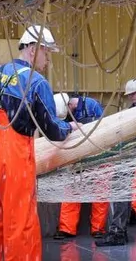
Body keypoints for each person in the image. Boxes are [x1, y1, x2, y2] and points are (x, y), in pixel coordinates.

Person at [0, 25, 73, 261]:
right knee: (19, 222)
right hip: (15, 162)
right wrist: (69, 128)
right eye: (46, 52)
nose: (47, 59)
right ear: (33, 50)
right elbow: (51, 129)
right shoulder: (36, 83)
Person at [96, 79, 136, 247]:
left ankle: (118, 232)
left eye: (133, 93)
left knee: (120, 189)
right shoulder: (131, 111)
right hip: (129, 154)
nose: (131, 97)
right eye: (129, 95)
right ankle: (120, 230)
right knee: (121, 189)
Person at [53, 93, 108, 239]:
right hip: (76, 155)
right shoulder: (66, 113)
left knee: (100, 188)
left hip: (96, 152)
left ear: (69, 106)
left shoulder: (92, 106)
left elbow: (105, 127)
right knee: (72, 189)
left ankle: (98, 228)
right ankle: (67, 228)